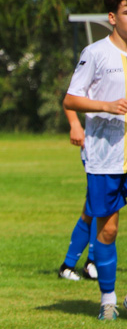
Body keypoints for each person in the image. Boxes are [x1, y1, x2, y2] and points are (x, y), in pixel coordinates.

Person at [63, 0, 127, 321]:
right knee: (109, 229)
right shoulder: (95, 52)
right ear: (113, 17)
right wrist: (106, 106)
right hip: (106, 157)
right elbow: (71, 99)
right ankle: (108, 300)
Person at [57, 107, 97, 281]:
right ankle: (92, 262)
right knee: (100, 206)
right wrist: (74, 124)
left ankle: (70, 265)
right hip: (98, 146)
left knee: (95, 207)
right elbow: (71, 99)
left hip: (119, 147)